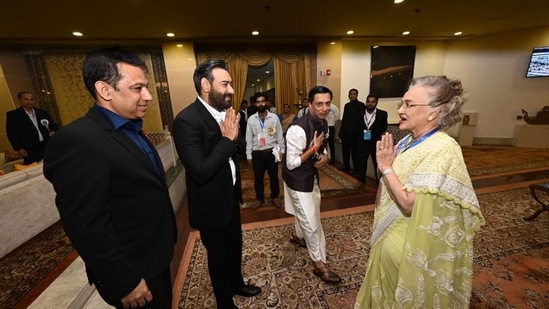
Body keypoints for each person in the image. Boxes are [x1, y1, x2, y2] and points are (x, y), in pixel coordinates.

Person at [43, 47, 177, 309]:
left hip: (154, 257)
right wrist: (124, 281)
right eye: (138, 88)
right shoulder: (77, 141)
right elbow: (86, 225)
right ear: (105, 90)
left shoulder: (133, 128)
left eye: (146, 87)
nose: (148, 96)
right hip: (132, 272)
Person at [354, 76, 485, 308]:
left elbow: (408, 203)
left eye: (409, 104)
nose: (401, 110)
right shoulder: (407, 141)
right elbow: (389, 185)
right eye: (402, 104)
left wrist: (385, 168)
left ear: (434, 112)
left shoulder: (443, 148)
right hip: (388, 233)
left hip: (410, 244)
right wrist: (385, 172)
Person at [172, 59, 261, 309]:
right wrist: (227, 139)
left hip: (229, 197)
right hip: (210, 205)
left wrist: (237, 138)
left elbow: (238, 148)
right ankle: (224, 301)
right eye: (225, 84)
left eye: (231, 83)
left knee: (234, 246)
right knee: (218, 256)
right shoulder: (186, 121)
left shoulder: (225, 114)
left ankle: (236, 283)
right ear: (205, 85)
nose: (232, 90)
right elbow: (199, 170)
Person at [283, 85, 342, 284]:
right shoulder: (298, 128)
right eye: (319, 104)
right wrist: (314, 148)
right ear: (310, 104)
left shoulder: (324, 123)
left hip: (312, 176)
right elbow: (291, 163)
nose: (324, 108)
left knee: (311, 213)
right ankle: (319, 264)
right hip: (297, 180)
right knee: (312, 224)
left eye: (327, 103)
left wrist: (323, 156)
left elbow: (321, 149)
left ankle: (297, 236)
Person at [246, 92, 285, 209]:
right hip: (257, 154)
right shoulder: (251, 119)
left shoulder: (274, 118)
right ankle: (259, 198)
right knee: (258, 178)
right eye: (258, 102)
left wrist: (282, 150)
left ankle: (275, 196)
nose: (260, 104)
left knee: (274, 176)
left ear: (267, 103)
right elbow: (249, 138)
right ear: (254, 104)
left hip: (272, 152)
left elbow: (279, 135)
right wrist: (248, 155)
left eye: (262, 101)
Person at [6, 91, 59, 165]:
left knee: (52, 164)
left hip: (46, 145)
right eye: (26, 99)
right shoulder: (13, 115)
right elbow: (12, 133)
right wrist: (19, 148)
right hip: (29, 148)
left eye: (31, 99)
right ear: (20, 100)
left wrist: (53, 131)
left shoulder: (42, 112)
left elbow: (54, 125)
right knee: (35, 168)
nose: (29, 102)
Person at [356, 94, 388, 184]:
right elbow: (356, 127)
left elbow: (384, 127)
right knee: (362, 162)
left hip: (375, 142)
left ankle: (379, 182)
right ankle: (361, 180)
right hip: (362, 142)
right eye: (368, 101)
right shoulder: (359, 113)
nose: (370, 104)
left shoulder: (382, 114)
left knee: (377, 163)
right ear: (366, 102)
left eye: (373, 102)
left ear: (376, 103)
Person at [338, 88, 363, 173]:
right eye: (351, 94)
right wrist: (341, 132)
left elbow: (360, 121)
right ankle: (346, 165)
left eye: (354, 94)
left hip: (355, 134)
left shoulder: (361, 105)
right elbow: (344, 119)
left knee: (354, 152)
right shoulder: (347, 105)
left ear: (357, 95)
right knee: (345, 151)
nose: (352, 95)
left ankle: (356, 169)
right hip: (345, 133)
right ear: (349, 96)